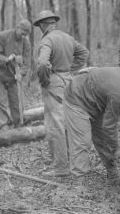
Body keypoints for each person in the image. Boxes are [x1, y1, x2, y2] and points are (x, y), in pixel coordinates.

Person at [63, 67, 120, 184]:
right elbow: (109, 127)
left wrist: (114, 146)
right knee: (82, 141)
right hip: (77, 97)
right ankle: (78, 182)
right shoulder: (119, 95)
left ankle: (113, 176)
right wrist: (116, 148)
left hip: (95, 101)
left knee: (103, 139)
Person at [33, 10, 89, 178]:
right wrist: (70, 70)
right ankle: (72, 162)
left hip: (54, 83)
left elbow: (43, 63)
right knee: (68, 123)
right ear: (53, 23)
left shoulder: (47, 40)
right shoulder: (67, 37)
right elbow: (84, 53)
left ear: (43, 25)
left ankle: (61, 168)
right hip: (68, 81)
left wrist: (45, 80)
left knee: (55, 125)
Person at [0, 19, 32, 128]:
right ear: (17, 27)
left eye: (26, 35)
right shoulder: (2, 36)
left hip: (13, 76)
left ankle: (18, 123)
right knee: (0, 102)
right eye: (22, 33)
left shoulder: (26, 43)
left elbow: (27, 62)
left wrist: (21, 74)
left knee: (17, 101)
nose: (23, 36)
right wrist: (6, 59)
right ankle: (4, 125)